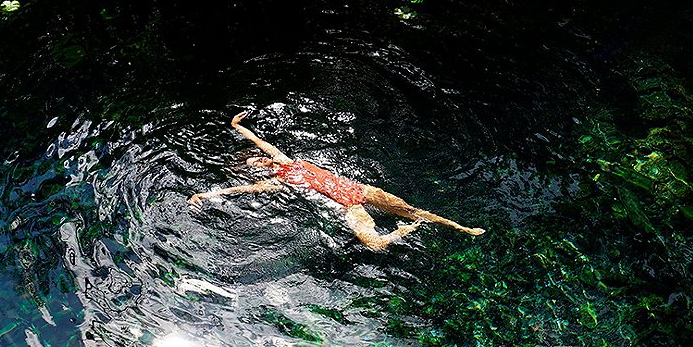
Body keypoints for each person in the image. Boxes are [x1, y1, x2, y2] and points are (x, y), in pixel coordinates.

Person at [189, 112, 485, 251]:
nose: (263, 160)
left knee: (411, 208)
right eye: (258, 164)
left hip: (360, 190)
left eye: (261, 157)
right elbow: (239, 190)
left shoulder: (284, 160)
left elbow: (261, 142)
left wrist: (236, 126)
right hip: (348, 207)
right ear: (259, 172)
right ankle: (403, 232)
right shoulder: (276, 183)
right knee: (376, 245)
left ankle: (461, 228)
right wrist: (205, 195)